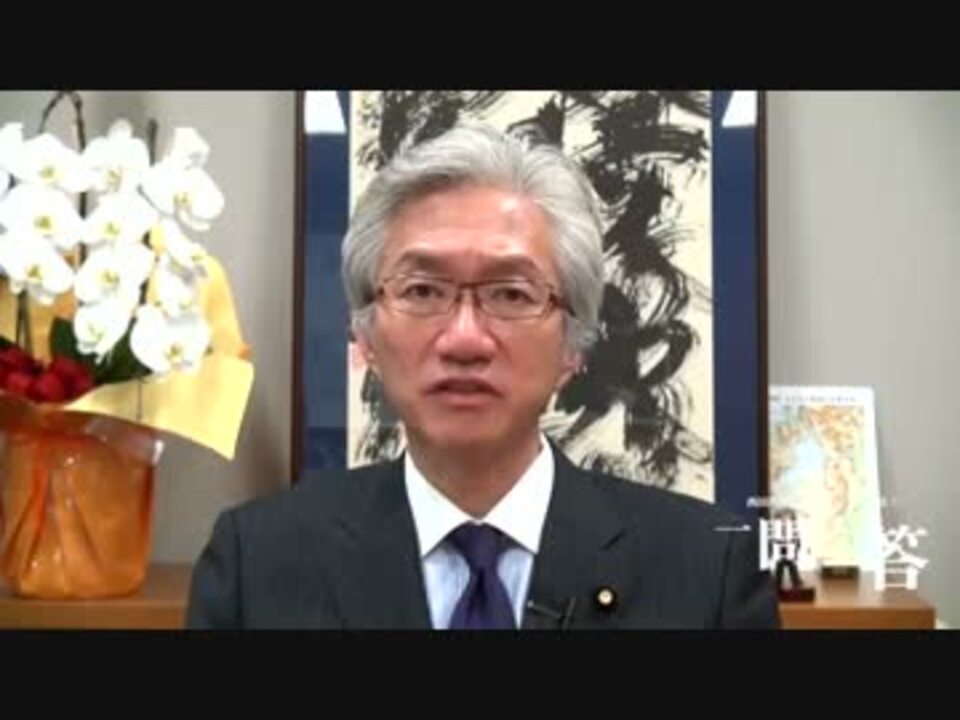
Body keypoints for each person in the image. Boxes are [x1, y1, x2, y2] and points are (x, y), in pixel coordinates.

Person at [186, 123, 780, 629]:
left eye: (511, 294)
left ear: (573, 344)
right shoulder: (256, 564)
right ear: (364, 333)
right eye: (422, 290)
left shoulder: (711, 571)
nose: (464, 339)